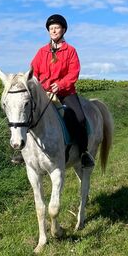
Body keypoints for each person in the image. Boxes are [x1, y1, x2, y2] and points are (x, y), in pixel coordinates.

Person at [30, 14, 95, 168]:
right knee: (27, 114)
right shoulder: (41, 52)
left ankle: (84, 152)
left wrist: (60, 85)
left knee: (79, 118)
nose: (53, 30)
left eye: (57, 28)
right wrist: (39, 86)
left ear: (63, 30)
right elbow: (33, 71)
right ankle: (25, 152)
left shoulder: (71, 51)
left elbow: (74, 72)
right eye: (51, 28)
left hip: (65, 92)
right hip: (44, 93)